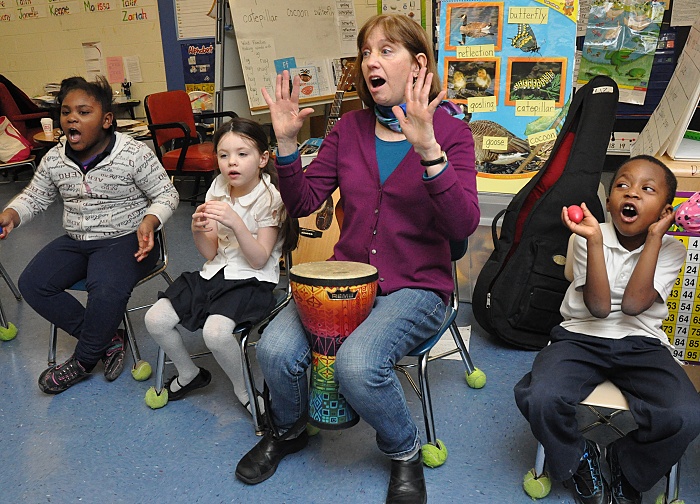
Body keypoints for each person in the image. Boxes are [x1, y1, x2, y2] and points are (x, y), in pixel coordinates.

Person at [234, 13, 479, 504]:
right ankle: (288, 430)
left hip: (418, 287)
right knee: (276, 351)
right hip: (345, 281)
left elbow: (463, 226)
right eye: (367, 52)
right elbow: (304, 203)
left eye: (387, 50)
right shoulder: (349, 128)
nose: (372, 61)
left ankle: (405, 451)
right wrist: (284, 144)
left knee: (358, 364)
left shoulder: (451, 134)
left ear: (418, 65)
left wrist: (429, 151)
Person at [514, 155, 700, 504]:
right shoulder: (590, 235)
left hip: (642, 343)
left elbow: (633, 305)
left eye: (647, 189)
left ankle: (625, 461)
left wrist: (657, 239)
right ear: (610, 200)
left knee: (686, 415)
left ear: (664, 210)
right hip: (581, 337)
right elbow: (598, 309)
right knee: (541, 397)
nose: (632, 194)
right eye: (622, 185)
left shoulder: (672, 249)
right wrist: (595, 241)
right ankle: (577, 456)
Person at [0, 76, 179, 394]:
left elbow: (167, 195)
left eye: (83, 112)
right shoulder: (55, 159)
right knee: (33, 283)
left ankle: (83, 361)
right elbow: (36, 196)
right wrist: (11, 214)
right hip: (77, 239)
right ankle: (108, 338)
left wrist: (150, 221)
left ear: (107, 119)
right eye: (66, 111)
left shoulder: (133, 154)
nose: (72, 118)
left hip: (129, 237)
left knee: (105, 286)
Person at [144, 118, 295, 413]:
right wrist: (198, 229)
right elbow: (210, 252)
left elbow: (259, 258)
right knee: (156, 319)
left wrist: (236, 223)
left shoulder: (271, 198)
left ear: (263, 158)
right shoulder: (217, 186)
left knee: (215, 333)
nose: (231, 163)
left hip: (253, 280)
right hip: (216, 273)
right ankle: (190, 374)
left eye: (242, 154)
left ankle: (245, 391)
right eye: (224, 155)